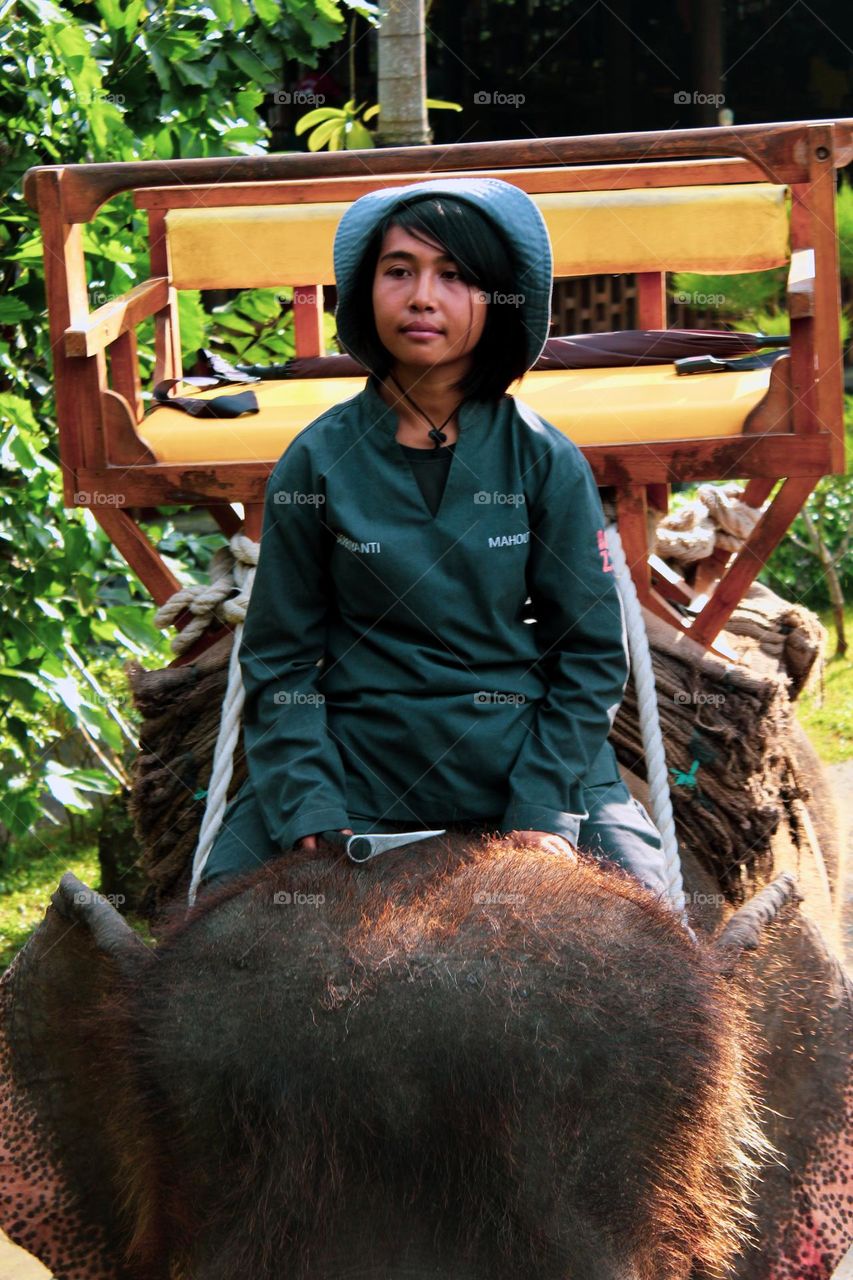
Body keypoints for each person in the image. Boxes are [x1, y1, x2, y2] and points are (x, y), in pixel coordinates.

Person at [198, 176, 683, 924]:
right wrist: (307, 801)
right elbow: (279, 657)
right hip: (359, 750)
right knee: (205, 941)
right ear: (366, 294)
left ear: (497, 303)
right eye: (399, 271)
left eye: (454, 276)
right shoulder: (314, 460)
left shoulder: (543, 459)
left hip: (520, 751)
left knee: (661, 940)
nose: (422, 297)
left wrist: (542, 803)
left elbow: (588, 653)